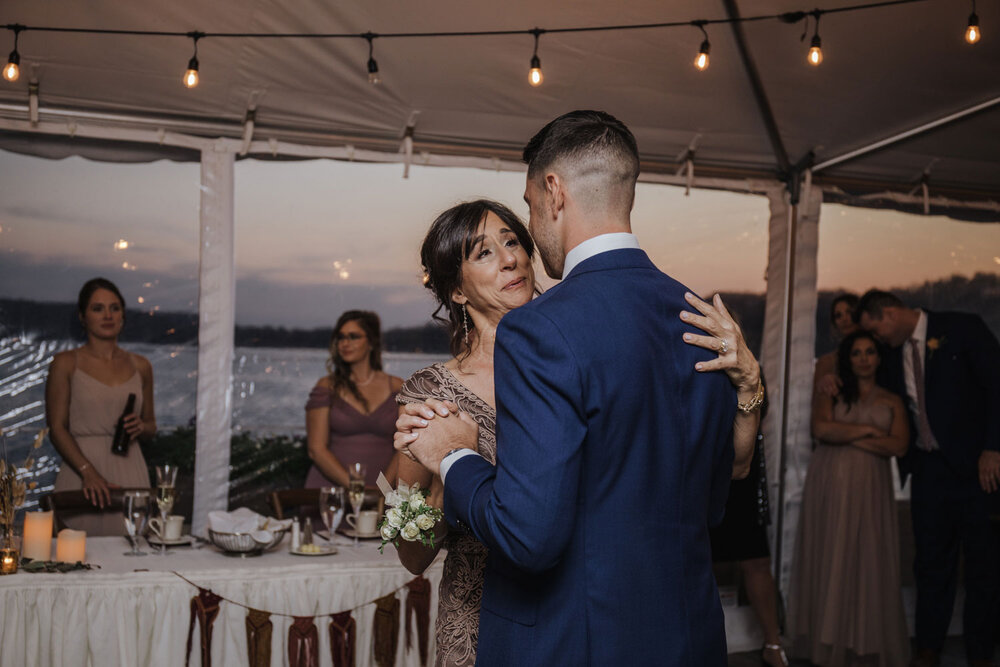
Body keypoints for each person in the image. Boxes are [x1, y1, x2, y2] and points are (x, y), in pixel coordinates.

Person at [395, 110, 765, 666]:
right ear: (457, 290)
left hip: (566, 635)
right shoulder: (697, 318)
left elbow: (531, 536)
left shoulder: (541, 334)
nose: (515, 253)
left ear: (552, 192)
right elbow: (715, 494)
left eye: (517, 227)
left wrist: (454, 458)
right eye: (483, 252)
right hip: (681, 634)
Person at [856, 290, 1000, 667]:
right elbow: (858, 371)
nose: (878, 341)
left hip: (976, 471)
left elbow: (998, 386)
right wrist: (829, 380)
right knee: (931, 564)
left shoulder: (962, 328)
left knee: (984, 565)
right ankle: (928, 649)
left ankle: (981, 654)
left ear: (889, 313)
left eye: (878, 332)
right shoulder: (890, 353)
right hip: (928, 472)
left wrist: (994, 448)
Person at [788, 330, 911, 666]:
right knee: (832, 554)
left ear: (879, 356)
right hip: (830, 483)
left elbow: (899, 445)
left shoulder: (893, 400)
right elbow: (821, 430)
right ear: (848, 358)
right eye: (856, 353)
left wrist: (848, 436)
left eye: (870, 351)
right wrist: (871, 432)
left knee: (868, 557)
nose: (864, 358)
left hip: (872, 487)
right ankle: (828, 640)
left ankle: (863, 640)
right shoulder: (833, 390)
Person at [46, 277, 156, 535]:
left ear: (123, 315)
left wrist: (141, 426)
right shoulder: (65, 363)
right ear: (83, 317)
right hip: (81, 471)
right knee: (76, 559)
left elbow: (152, 425)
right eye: (98, 308)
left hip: (131, 469)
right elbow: (57, 428)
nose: (107, 315)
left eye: (114, 308)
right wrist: (88, 473)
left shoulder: (141, 366)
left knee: (134, 556)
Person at [709, 384, 787, 667]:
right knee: (697, 560)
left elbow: (758, 407)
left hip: (743, 467)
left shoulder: (745, 360)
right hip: (701, 462)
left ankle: (773, 643)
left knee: (756, 560)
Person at [304, 310, 402, 488]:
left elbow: (404, 448)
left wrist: (383, 492)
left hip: (385, 495)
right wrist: (357, 489)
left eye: (353, 336)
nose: (345, 343)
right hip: (332, 491)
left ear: (371, 342)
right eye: (340, 337)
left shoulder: (397, 387)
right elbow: (316, 450)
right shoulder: (327, 387)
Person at [813, 293, 860, 396]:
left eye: (849, 312)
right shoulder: (827, 362)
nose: (844, 319)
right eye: (838, 315)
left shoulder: (881, 352)